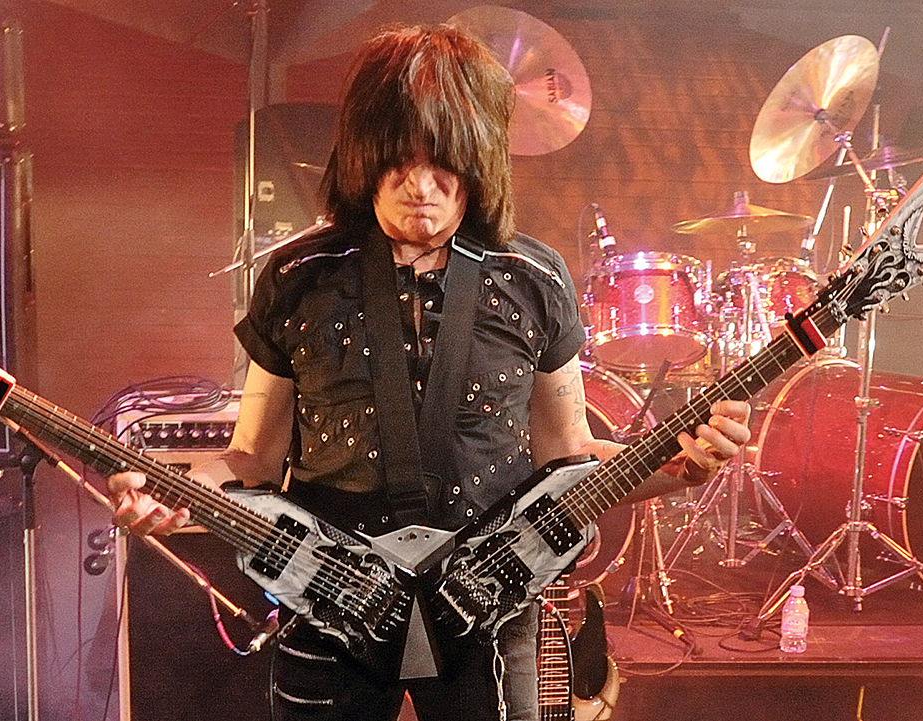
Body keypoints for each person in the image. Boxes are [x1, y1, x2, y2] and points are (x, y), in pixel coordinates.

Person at [110, 23, 751, 721]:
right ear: (363, 155)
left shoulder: (535, 278)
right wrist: (173, 496)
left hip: (490, 607)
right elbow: (252, 458)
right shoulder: (297, 278)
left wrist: (677, 468)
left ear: (478, 159)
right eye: (397, 160)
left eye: (443, 159)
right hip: (333, 605)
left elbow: (568, 458)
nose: (419, 184)